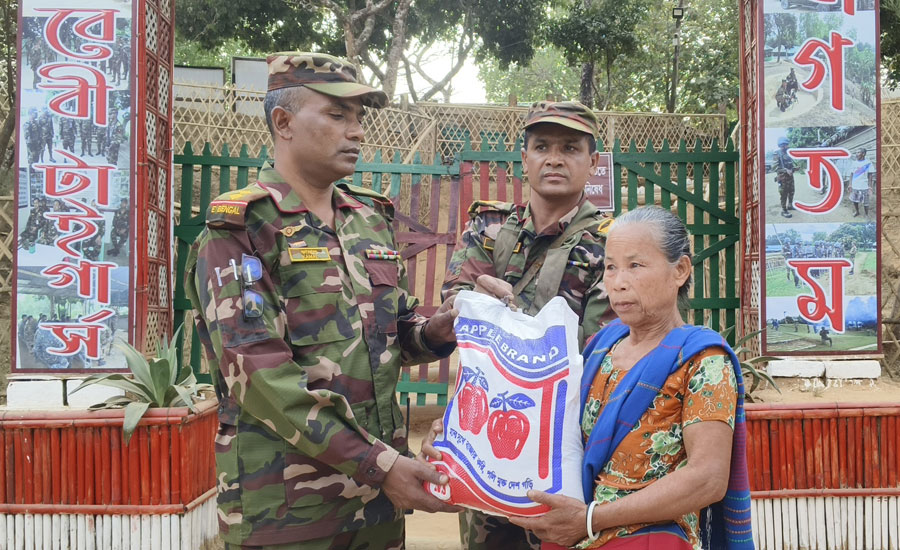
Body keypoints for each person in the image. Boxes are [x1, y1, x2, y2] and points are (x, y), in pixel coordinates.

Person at [185, 51, 460, 549]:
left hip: (378, 507)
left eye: (358, 118)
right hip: (288, 515)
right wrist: (381, 465)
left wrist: (435, 331)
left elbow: (389, 334)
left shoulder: (368, 220)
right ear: (283, 122)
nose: (356, 132)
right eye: (337, 115)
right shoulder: (242, 230)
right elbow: (260, 375)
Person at [424, 206, 752, 550]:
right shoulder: (600, 348)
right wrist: (461, 440)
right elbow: (548, 432)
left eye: (635, 266)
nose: (618, 282)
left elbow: (707, 478)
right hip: (573, 537)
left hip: (650, 541)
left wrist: (591, 519)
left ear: (680, 270)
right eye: (610, 267)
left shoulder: (703, 361)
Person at [439, 100, 615, 550]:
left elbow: (605, 347)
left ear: (592, 161)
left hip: (569, 448)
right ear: (524, 158)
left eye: (570, 148)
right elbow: (455, 303)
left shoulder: (611, 243)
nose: (554, 159)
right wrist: (471, 299)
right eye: (542, 147)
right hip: (487, 441)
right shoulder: (489, 230)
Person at [847, 147, 874, 218]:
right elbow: (851, 174)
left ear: (863, 154)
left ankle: (866, 214)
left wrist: (870, 186)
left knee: (866, 202)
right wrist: (850, 184)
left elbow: (870, 176)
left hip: (864, 186)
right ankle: (857, 211)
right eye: (856, 153)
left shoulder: (868, 163)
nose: (856, 154)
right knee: (854, 200)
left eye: (858, 152)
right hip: (855, 185)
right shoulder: (854, 163)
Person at [774, 136, 796, 218]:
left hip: (790, 177)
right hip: (782, 178)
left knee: (791, 191)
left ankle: (790, 205)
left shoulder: (789, 153)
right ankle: (783, 210)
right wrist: (785, 170)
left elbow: (791, 165)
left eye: (787, 144)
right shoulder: (777, 154)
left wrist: (794, 168)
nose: (787, 146)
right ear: (781, 145)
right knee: (783, 194)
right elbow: (774, 167)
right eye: (786, 145)